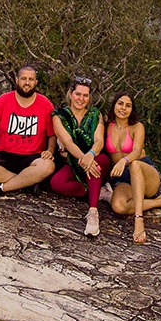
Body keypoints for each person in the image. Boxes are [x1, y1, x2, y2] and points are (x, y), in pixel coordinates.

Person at [0, 65, 56, 196]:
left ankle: (1, 188)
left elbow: (52, 135)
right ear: (17, 80)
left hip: (31, 157)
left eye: (31, 79)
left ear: (36, 82)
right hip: (3, 155)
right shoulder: (2, 101)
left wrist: (49, 151)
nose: (27, 83)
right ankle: (27, 182)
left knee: (48, 166)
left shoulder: (45, 104)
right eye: (24, 79)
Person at [106, 90, 161, 243]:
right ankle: (159, 202)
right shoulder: (107, 125)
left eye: (128, 106)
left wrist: (123, 161)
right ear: (114, 105)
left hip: (145, 173)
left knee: (135, 164)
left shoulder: (137, 127)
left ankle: (139, 220)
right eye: (120, 104)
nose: (123, 108)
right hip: (124, 178)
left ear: (132, 110)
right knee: (118, 206)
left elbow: (136, 151)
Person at [50, 76, 112, 237]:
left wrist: (90, 155)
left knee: (100, 162)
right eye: (78, 94)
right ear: (71, 94)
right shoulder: (59, 115)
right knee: (57, 183)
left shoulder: (94, 114)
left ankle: (93, 212)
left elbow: (99, 141)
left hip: (96, 159)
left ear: (89, 97)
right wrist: (84, 160)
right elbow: (68, 142)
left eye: (85, 95)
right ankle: (98, 191)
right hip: (72, 162)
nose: (81, 99)